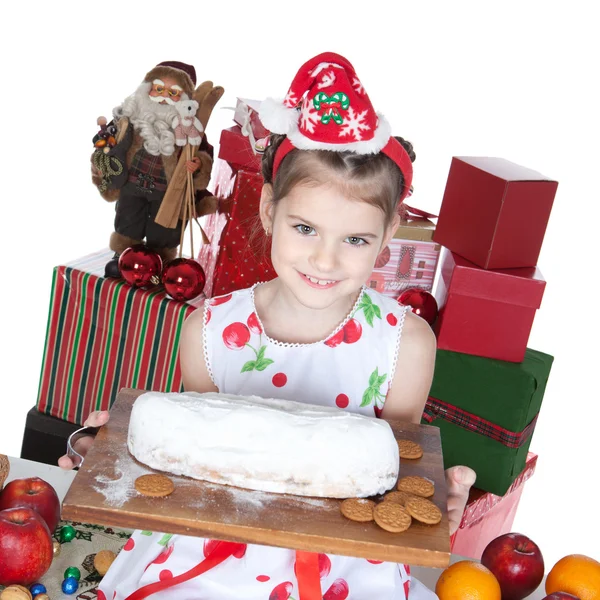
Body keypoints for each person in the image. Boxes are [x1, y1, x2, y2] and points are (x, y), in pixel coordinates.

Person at [61, 52, 476, 599]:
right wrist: (115, 451)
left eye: (355, 239)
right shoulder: (208, 328)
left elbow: (391, 471)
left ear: (391, 231)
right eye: (305, 228)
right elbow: (192, 457)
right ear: (268, 210)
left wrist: (435, 499)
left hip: (341, 565)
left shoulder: (405, 344)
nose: (325, 260)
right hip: (209, 551)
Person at [90, 60, 215, 278]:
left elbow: (202, 154)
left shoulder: (189, 130)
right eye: (159, 89)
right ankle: (123, 255)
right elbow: (108, 141)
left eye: (173, 93)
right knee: (128, 219)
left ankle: (161, 262)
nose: (164, 96)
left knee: (166, 228)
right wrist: (103, 156)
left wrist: (198, 165)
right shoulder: (130, 117)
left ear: (184, 99)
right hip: (131, 184)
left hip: (166, 191)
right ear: (146, 88)